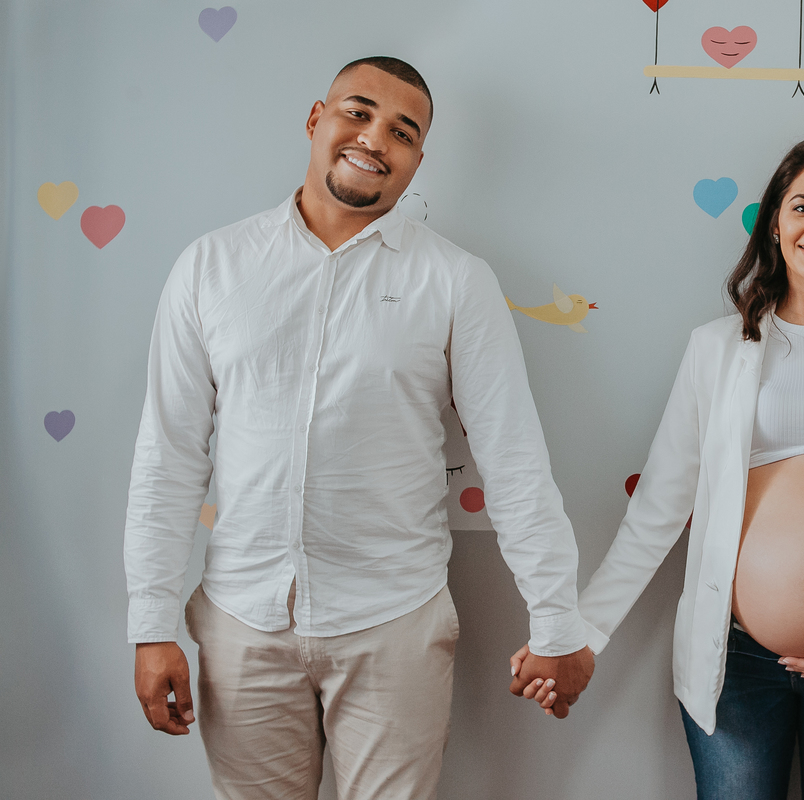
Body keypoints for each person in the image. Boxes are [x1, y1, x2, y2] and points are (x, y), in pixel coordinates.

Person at [124, 56, 593, 800]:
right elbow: (169, 455)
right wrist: (151, 623)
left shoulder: (455, 281)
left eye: (402, 132)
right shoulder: (210, 267)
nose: (375, 138)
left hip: (392, 623)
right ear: (316, 119)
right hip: (241, 620)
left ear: (417, 160)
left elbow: (513, 461)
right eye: (358, 112)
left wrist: (558, 622)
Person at [513, 137, 804, 798]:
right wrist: (578, 636)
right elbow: (659, 510)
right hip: (734, 664)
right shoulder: (717, 348)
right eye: (803, 207)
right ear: (775, 224)